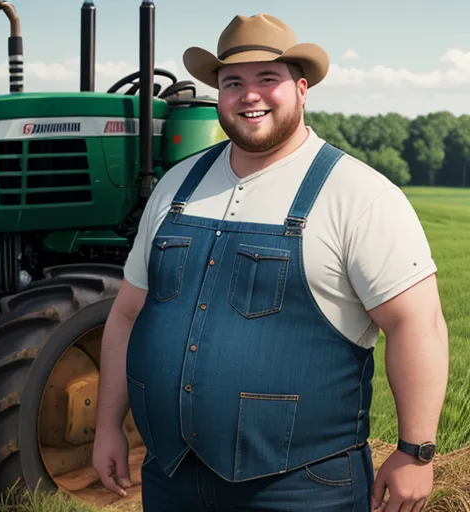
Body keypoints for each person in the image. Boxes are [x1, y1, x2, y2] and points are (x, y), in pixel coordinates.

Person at [92, 12, 449, 512]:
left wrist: (416, 451)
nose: (249, 94)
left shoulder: (359, 194)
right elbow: (128, 313)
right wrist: (108, 425)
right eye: (233, 82)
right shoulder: (176, 186)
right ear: (218, 93)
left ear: (302, 89)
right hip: (172, 476)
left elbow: (418, 324)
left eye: (268, 79)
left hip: (302, 488)